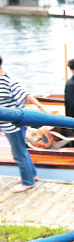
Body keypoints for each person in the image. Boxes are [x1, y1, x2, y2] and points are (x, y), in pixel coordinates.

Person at [0, 55, 48, 192]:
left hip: (13, 125)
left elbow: (26, 94)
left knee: (19, 154)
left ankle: (28, 182)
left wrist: (40, 107)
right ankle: (32, 175)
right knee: (22, 150)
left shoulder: (7, 81)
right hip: (7, 124)